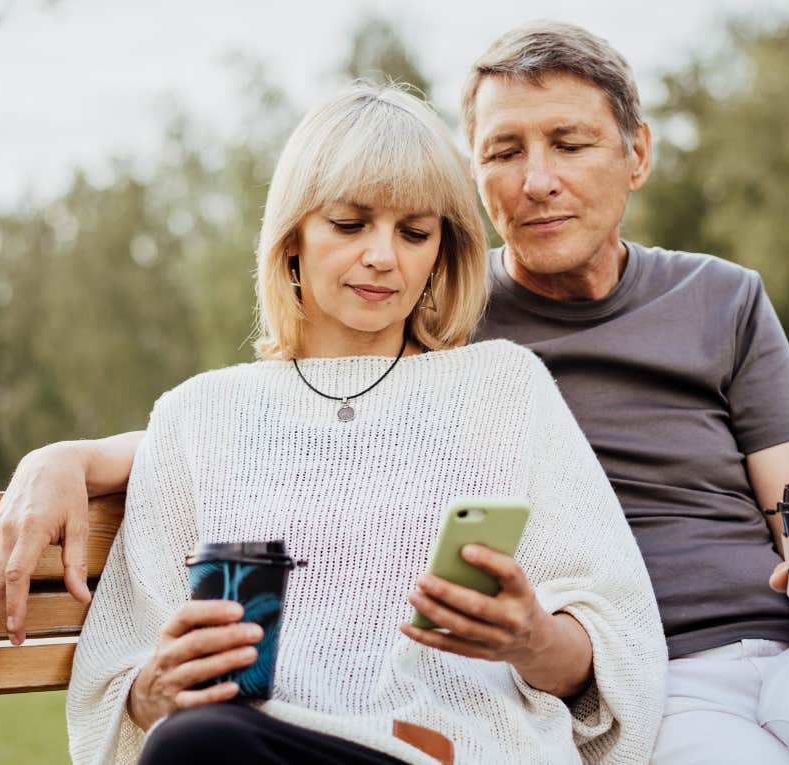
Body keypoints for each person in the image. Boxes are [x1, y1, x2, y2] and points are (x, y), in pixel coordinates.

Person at [0, 21, 789, 765]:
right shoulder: (404, 348)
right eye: (504, 153)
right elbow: (281, 416)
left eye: (416, 233)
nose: (537, 179)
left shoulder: (662, 315)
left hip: (702, 665)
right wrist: (69, 459)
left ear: (635, 154)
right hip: (591, 698)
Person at [63, 82, 666, 765]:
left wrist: (531, 638)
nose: (383, 256)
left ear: (441, 252)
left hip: (455, 750)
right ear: (292, 239)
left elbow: (622, 644)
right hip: (258, 746)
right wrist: (153, 688)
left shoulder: (504, 389)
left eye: (414, 232)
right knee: (195, 740)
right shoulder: (193, 418)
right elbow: (120, 669)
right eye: (350, 224)